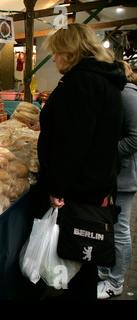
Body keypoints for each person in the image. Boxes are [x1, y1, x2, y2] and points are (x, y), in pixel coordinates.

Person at [35, 23, 127, 299]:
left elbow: (73, 143)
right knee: (85, 259)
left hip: (82, 186)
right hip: (97, 180)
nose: (54, 59)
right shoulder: (105, 79)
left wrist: (58, 188)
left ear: (71, 52)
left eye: (57, 53)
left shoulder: (81, 82)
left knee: (79, 255)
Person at [97, 60, 137, 299]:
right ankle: (105, 271)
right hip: (111, 174)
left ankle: (116, 282)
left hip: (123, 175)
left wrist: (105, 152)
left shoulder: (128, 94)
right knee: (108, 226)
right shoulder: (115, 93)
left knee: (120, 229)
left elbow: (135, 139)